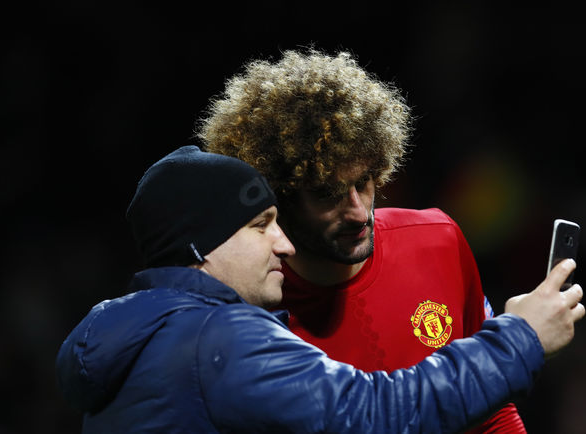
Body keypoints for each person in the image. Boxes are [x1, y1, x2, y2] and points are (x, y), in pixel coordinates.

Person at [55, 146, 585, 433]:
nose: (282, 243)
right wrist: (521, 337)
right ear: (202, 246)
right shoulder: (218, 340)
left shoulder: (134, 340)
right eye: (261, 225)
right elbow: (378, 414)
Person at [197, 49, 550, 432]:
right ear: (279, 196)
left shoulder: (439, 238)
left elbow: (491, 407)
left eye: (363, 182)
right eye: (328, 193)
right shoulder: (248, 304)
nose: (357, 211)